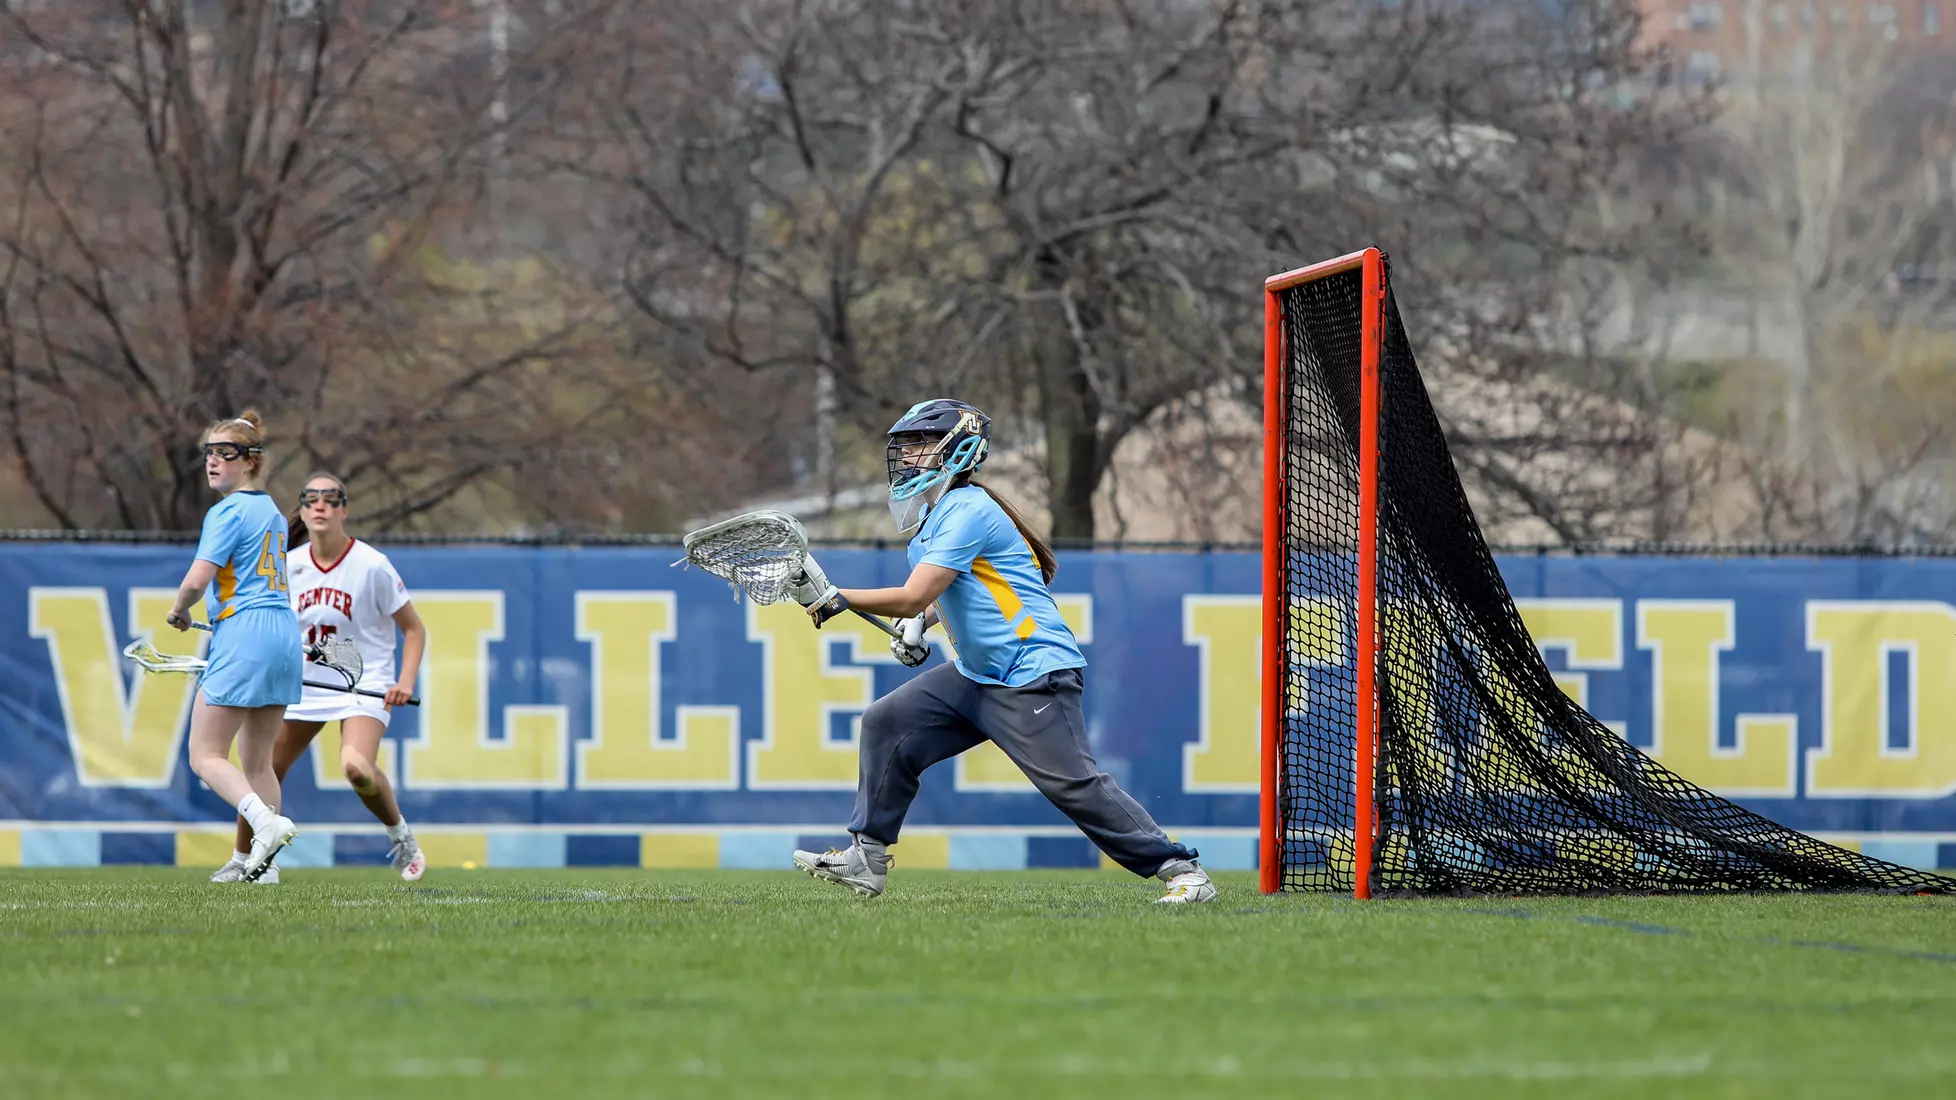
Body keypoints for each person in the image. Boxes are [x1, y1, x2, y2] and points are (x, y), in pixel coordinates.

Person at [788, 399, 1217, 904]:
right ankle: (867, 859)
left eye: (919, 445)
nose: (906, 458)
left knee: (1073, 785)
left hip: (1031, 670)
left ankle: (1182, 871)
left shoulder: (968, 510)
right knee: (886, 722)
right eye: (903, 448)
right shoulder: (942, 515)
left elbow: (915, 592)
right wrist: (919, 625)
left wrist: (838, 596)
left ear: (958, 450)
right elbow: (959, 594)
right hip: (975, 675)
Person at [212, 473, 429, 883]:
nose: (320, 506)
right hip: (305, 683)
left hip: (362, 681)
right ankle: (246, 861)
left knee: (355, 767)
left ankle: (400, 836)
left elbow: (414, 629)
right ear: (303, 510)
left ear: (344, 510)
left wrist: (405, 681)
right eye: (311, 499)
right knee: (263, 767)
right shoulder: (288, 566)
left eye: (331, 499)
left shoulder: (372, 566)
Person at [167, 410, 303, 883]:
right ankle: (258, 866)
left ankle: (266, 825)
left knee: (204, 755)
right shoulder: (270, 510)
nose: (213, 461)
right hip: (283, 632)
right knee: (259, 761)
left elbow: (197, 581)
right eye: (209, 453)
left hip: (243, 631)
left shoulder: (226, 512)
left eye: (227, 453)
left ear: (251, 462)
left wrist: (180, 609)